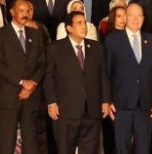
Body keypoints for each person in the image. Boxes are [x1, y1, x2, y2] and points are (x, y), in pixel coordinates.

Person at [104, 3, 152, 154]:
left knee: (144, 149)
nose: (135, 19)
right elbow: (104, 73)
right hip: (120, 106)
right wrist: (106, 100)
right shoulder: (111, 41)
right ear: (125, 17)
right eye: (131, 15)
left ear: (143, 19)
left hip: (147, 107)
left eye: (139, 16)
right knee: (121, 149)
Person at [44, 11, 110, 154]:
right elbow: (48, 77)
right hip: (65, 112)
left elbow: (103, 75)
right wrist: (51, 102)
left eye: (84, 23)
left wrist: (106, 101)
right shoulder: (55, 48)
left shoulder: (97, 47)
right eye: (79, 23)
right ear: (69, 28)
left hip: (92, 112)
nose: (83, 26)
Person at [0, 0, 47, 154]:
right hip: (9, 95)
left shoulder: (36, 34)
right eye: (21, 10)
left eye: (27, 11)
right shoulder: (0, 34)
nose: (25, 14)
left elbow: (42, 63)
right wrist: (22, 82)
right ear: (12, 12)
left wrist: (32, 85)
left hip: (31, 97)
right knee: (6, 142)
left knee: (30, 142)